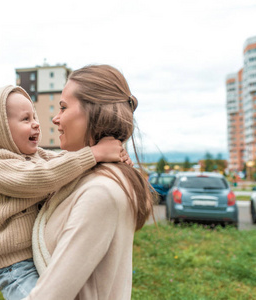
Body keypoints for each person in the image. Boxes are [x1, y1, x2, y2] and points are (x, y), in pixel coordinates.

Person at [0, 85, 130, 300]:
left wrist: (112, 157)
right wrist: (95, 153)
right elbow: (40, 177)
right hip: (15, 269)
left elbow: (62, 162)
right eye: (25, 119)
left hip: (36, 257)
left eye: (34, 116)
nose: (36, 124)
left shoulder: (35, 155)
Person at [26, 65, 154, 300]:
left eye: (63, 107)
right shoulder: (91, 178)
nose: (56, 118)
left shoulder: (100, 191)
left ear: (94, 112)